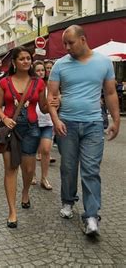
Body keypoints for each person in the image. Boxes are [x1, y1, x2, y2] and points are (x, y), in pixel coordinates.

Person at [48, 25, 120, 236]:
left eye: (70, 43)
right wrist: (55, 119)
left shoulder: (104, 62)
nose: (66, 47)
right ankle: (68, 201)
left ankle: (91, 215)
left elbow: (110, 93)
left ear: (83, 39)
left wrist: (116, 120)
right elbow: (50, 98)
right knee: (69, 167)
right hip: (67, 124)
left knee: (91, 169)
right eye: (64, 43)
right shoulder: (59, 65)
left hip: (93, 124)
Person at [0, 46, 49, 229]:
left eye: (28, 58)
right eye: (22, 59)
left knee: (29, 169)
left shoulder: (38, 83)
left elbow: (43, 107)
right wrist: (4, 118)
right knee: (11, 169)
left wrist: (56, 103)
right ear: (15, 62)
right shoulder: (4, 83)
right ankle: (12, 211)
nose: (26, 61)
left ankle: (25, 192)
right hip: (10, 131)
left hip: (32, 129)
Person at [32, 61, 54, 190]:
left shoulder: (49, 85)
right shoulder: (30, 85)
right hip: (33, 122)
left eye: (42, 70)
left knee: (45, 150)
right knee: (32, 151)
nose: (41, 72)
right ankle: (33, 175)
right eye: (38, 70)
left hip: (47, 122)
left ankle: (44, 178)